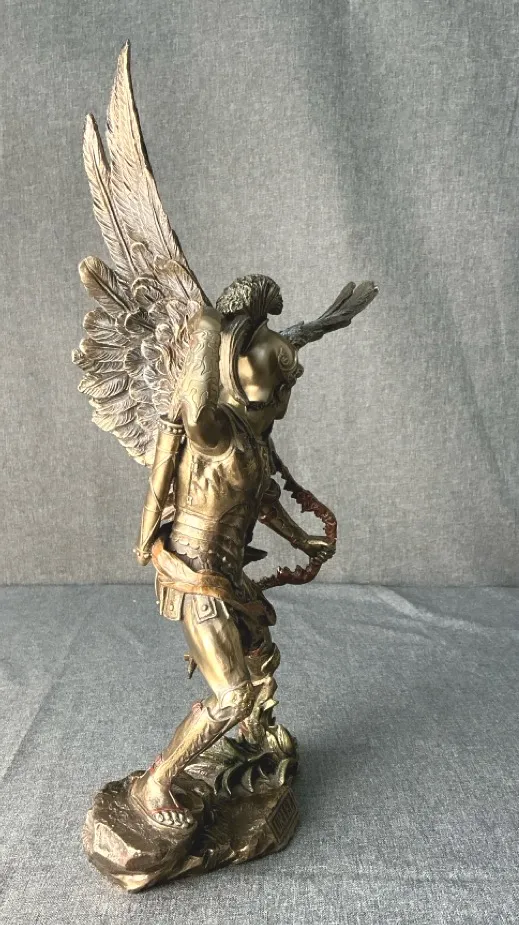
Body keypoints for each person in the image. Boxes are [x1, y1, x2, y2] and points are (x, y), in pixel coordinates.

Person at [130, 275, 335, 828]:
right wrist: (204, 330)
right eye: (283, 384)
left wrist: (302, 539)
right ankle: (155, 784)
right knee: (231, 696)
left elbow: (262, 501)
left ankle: (252, 738)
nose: (286, 396)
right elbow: (193, 410)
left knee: (261, 653)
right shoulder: (218, 431)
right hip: (197, 575)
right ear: (270, 387)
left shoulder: (252, 440)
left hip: (229, 577)